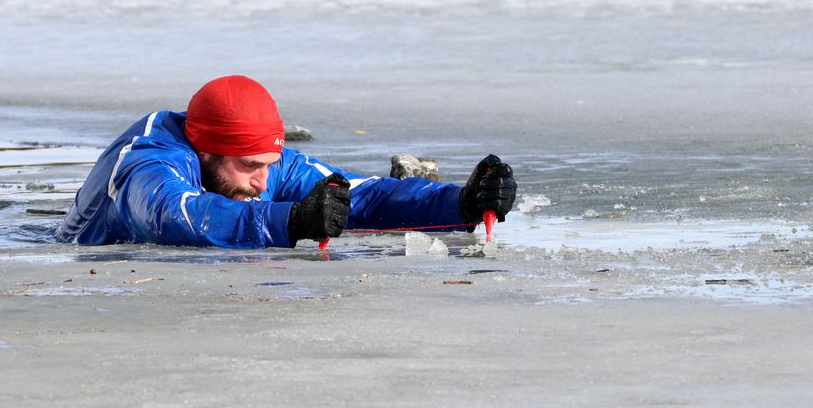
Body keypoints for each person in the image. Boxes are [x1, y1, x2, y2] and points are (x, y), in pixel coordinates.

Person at [57, 75, 516, 248]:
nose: (262, 182)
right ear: (205, 151)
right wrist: (290, 221)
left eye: (268, 164)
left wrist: (460, 203)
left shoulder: (270, 166)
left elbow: (361, 195)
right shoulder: (149, 163)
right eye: (247, 165)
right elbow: (173, 217)